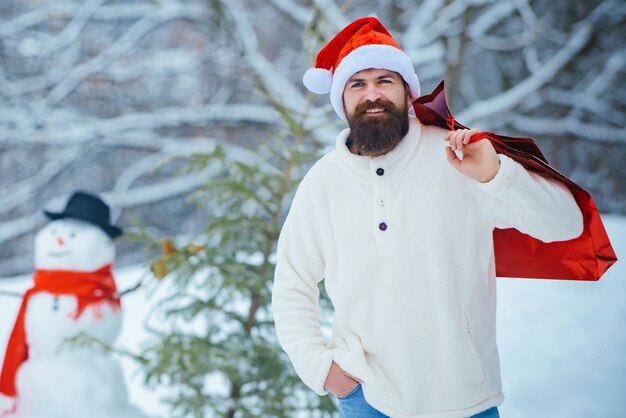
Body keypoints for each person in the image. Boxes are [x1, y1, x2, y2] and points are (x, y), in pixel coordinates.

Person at [271, 17, 582, 418]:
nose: (372, 94)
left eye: (385, 80)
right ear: (342, 100)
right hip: (368, 400)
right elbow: (291, 283)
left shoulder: (457, 157)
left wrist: (495, 174)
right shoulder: (323, 182)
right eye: (357, 83)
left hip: (467, 400)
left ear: (407, 91)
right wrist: (321, 368)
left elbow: (566, 224)